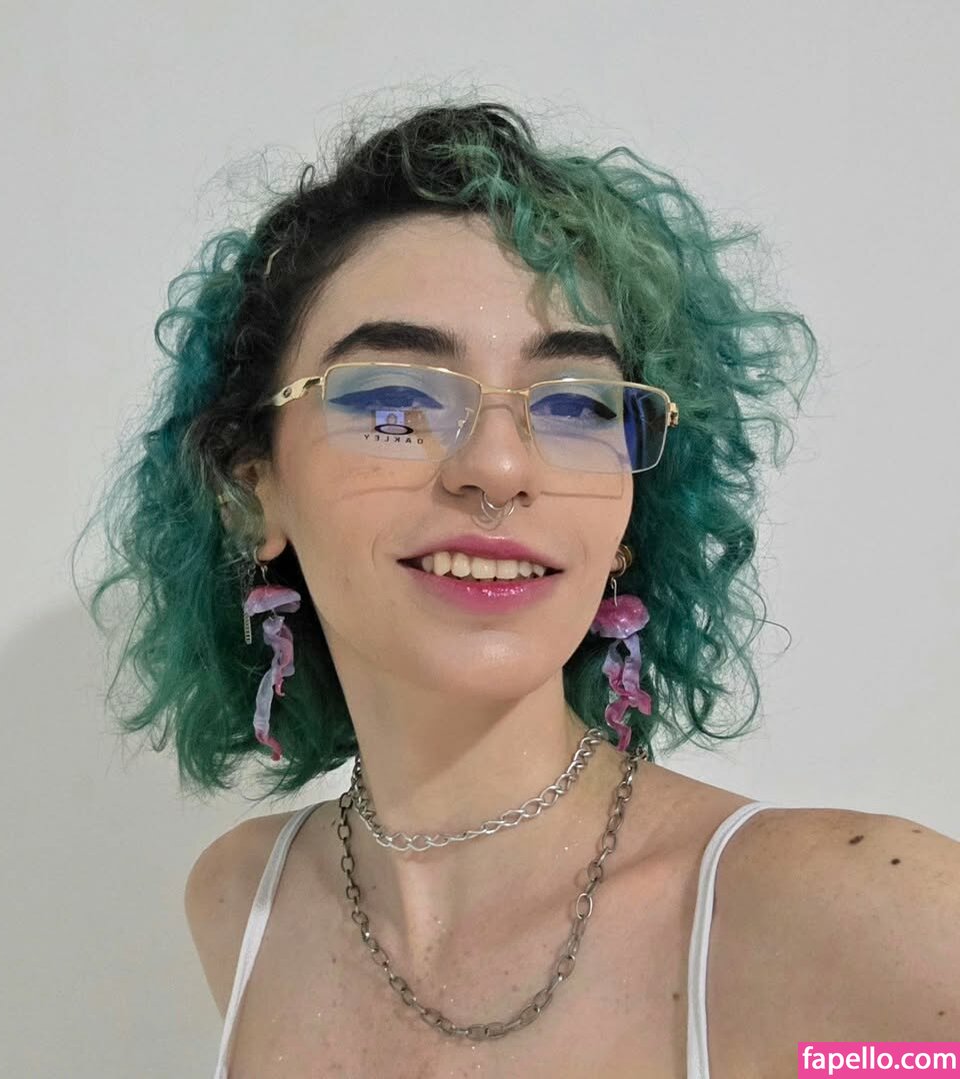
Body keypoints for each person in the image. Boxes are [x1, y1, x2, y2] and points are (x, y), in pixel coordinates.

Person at [78, 101, 960, 1077]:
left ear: (631, 518)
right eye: (395, 400)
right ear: (254, 494)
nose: (498, 466)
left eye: (578, 404)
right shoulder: (242, 902)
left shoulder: (858, 923)